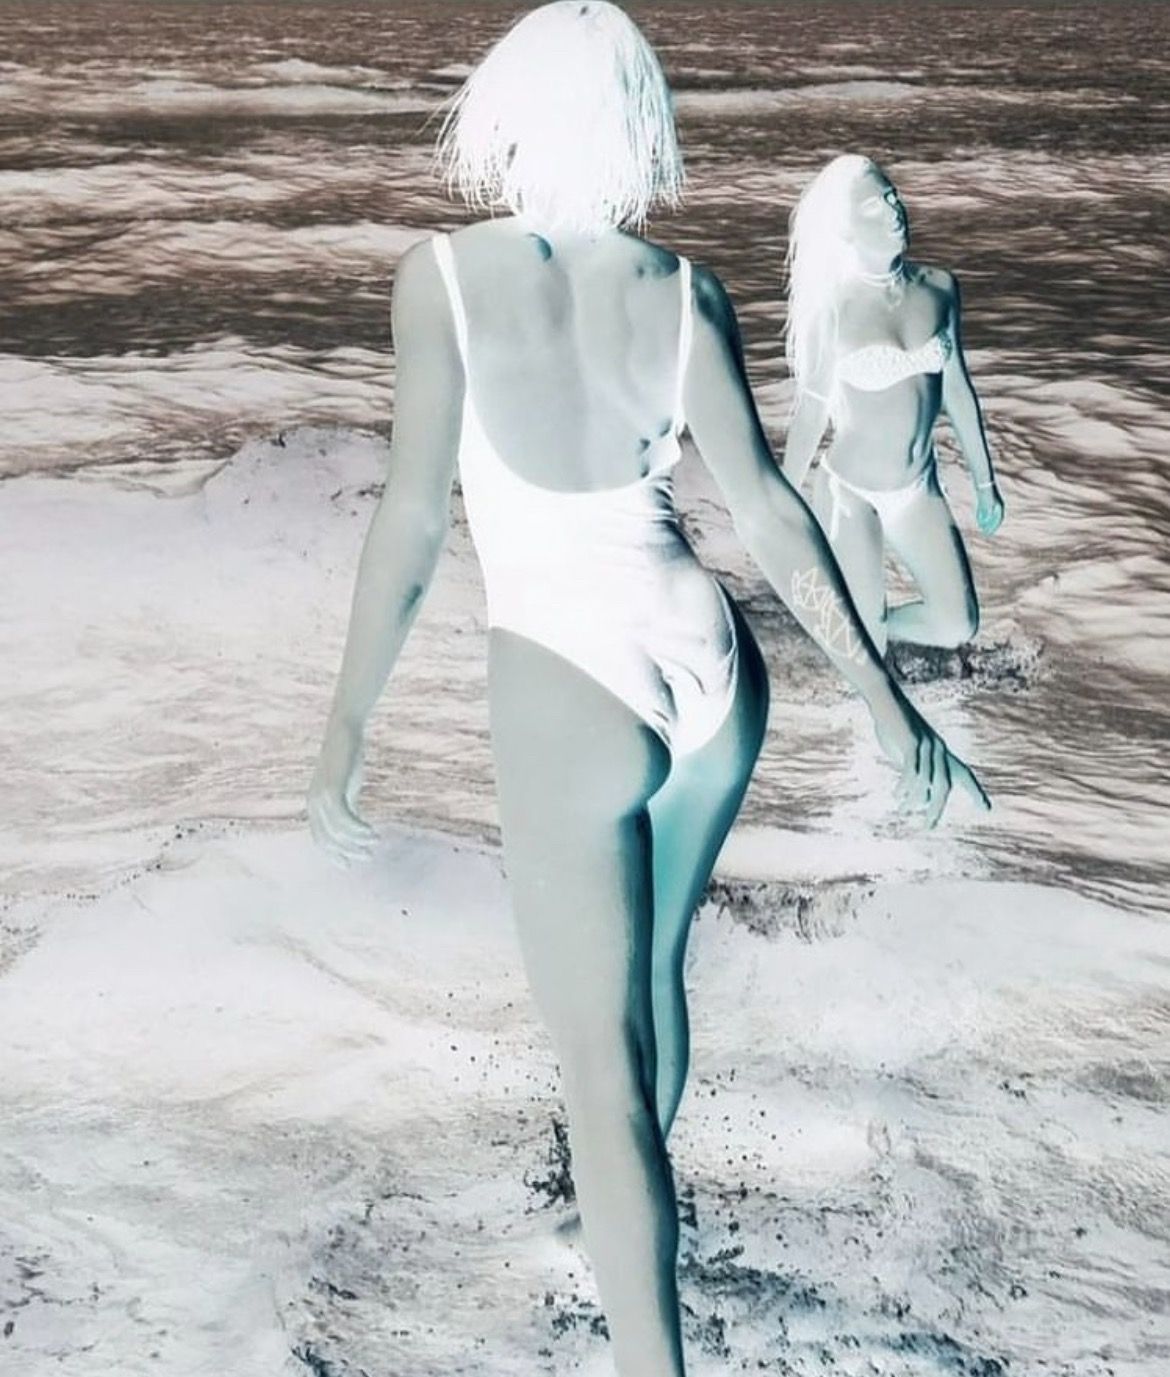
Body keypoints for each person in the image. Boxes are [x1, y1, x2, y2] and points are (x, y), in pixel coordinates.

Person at [307, 6, 989, 1374]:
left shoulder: (439, 279)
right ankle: (615, 1240)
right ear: (636, 126)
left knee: (596, 1069)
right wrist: (883, 702)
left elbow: (416, 525)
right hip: (711, 671)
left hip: (571, 677)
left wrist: (347, 719)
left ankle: (641, 1330)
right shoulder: (686, 294)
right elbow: (773, 516)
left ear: (508, 114)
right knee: (650, 982)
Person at [781, 154, 1005, 658]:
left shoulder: (940, 289)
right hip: (850, 492)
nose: (893, 211)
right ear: (845, 230)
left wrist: (985, 482)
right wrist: (782, 504)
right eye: (873, 207)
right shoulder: (832, 311)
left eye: (892, 197)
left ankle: (861, 632)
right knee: (870, 647)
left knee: (957, 625)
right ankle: (863, 634)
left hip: (917, 487)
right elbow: (811, 414)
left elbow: (958, 392)